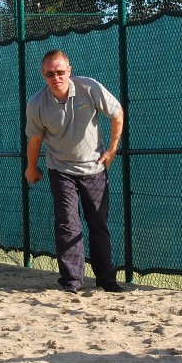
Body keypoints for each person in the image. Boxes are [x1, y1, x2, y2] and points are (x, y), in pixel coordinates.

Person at [25, 50, 125, 294]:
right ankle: (72, 282)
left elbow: (117, 113)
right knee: (68, 224)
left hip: (94, 167)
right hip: (60, 169)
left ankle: (106, 280)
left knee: (98, 222)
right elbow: (35, 140)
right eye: (50, 73)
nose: (55, 77)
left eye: (60, 72)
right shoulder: (37, 103)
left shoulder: (89, 88)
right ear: (43, 74)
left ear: (69, 71)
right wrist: (31, 167)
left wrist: (112, 150)